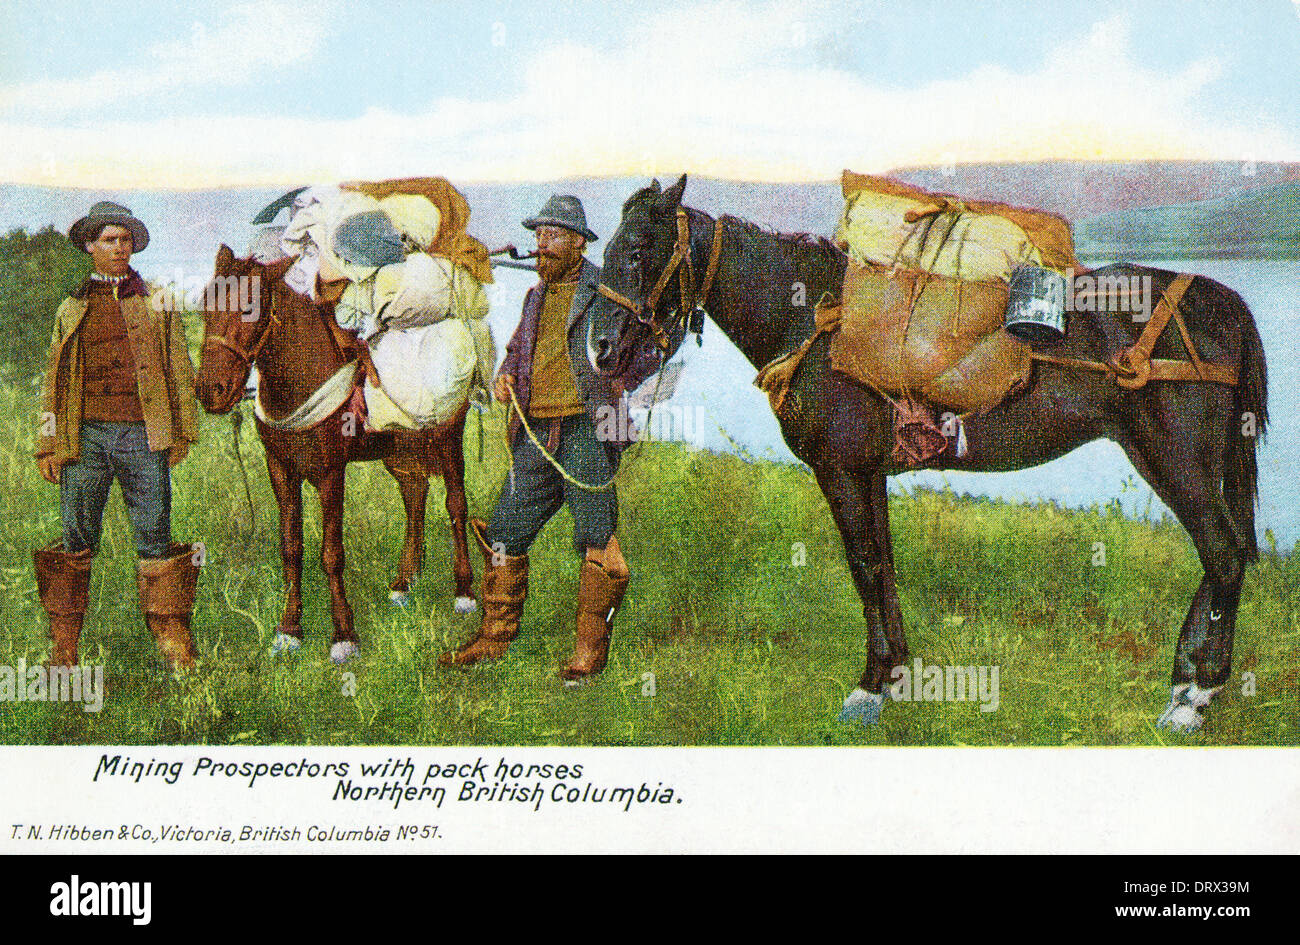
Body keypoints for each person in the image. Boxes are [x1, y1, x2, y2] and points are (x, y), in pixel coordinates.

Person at [439, 195, 660, 681]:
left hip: (586, 429)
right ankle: (494, 640)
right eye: (539, 235)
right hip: (535, 434)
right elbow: (520, 347)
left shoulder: (606, 288)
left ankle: (588, 656)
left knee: (598, 545)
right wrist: (504, 375)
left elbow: (652, 340)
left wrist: (621, 381)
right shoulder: (534, 296)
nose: (542, 245)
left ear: (579, 243)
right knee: (503, 533)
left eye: (554, 235)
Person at [33, 201, 200, 670]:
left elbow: (179, 369)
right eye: (109, 240)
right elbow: (53, 380)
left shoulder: (157, 300)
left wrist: (181, 433)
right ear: (90, 247)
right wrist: (47, 442)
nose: (119, 248)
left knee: (155, 537)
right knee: (75, 539)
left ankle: (172, 642)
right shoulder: (71, 306)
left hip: (143, 436)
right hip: (83, 438)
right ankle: (63, 651)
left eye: (125, 240)